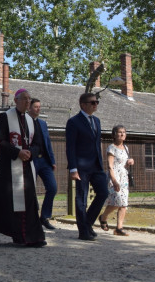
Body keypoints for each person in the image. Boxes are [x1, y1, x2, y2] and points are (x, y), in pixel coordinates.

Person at [0, 89, 46, 247]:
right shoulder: (6, 117)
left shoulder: (32, 120)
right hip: (9, 167)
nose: (27, 102)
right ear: (16, 100)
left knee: (29, 201)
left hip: (27, 166)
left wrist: (30, 153)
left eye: (29, 99)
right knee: (4, 201)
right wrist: (17, 152)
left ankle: (30, 236)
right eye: (24, 99)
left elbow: (39, 144)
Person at [65, 92, 109, 241]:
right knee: (81, 198)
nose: (95, 104)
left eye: (97, 102)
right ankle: (83, 231)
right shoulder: (74, 122)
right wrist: (73, 168)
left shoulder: (96, 121)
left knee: (103, 192)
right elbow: (70, 147)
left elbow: (97, 144)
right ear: (83, 105)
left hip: (96, 165)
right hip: (81, 166)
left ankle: (87, 223)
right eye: (93, 102)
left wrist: (101, 164)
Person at [99, 125, 134, 236]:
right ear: (114, 134)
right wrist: (114, 180)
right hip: (114, 176)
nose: (122, 134)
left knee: (123, 203)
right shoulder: (111, 148)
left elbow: (124, 164)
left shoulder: (126, 148)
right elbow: (110, 166)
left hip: (124, 177)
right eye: (119, 132)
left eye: (124, 132)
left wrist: (130, 162)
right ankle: (103, 217)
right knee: (116, 201)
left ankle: (119, 228)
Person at [28, 98, 58, 230]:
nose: (38, 109)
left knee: (52, 187)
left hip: (44, 161)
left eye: (39, 107)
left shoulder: (43, 123)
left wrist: (52, 160)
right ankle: (31, 217)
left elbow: (48, 143)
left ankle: (45, 216)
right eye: (36, 107)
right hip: (31, 160)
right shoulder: (24, 122)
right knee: (30, 190)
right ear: (29, 108)